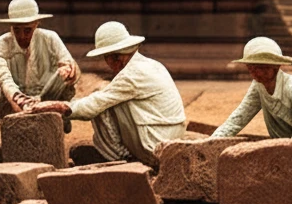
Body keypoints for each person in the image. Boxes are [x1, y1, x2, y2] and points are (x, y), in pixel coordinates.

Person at [29, 21, 185, 166]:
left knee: (101, 99)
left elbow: (95, 104)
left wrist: (63, 107)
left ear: (114, 57)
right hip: (169, 138)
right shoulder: (150, 64)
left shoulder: (131, 75)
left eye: (106, 58)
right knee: (105, 94)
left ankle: (122, 158)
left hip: (155, 147)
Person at [211, 37, 292, 140]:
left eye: (261, 67)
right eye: (251, 67)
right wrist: (212, 141)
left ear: (275, 67)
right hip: (281, 145)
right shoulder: (258, 86)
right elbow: (238, 118)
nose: (255, 72)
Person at [0, 0, 79, 131]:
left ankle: (58, 117)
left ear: (36, 24)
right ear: (11, 27)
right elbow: (4, 78)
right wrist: (19, 100)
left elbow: (70, 66)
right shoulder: (1, 45)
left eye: (27, 30)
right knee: (4, 83)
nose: (22, 36)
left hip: (47, 96)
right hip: (15, 100)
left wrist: (69, 71)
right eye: (17, 30)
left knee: (65, 73)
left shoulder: (50, 38)